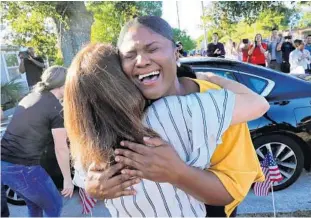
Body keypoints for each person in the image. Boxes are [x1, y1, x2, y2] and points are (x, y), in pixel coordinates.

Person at [84, 16, 267, 217]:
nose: (142, 61)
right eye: (129, 55)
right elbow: (92, 166)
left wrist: (178, 173)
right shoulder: (120, 108)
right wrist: (93, 186)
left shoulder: (216, 103)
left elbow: (230, 192)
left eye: (152, 49)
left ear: (176, 53)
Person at [1, 66, 73, 217]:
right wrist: (67, 180)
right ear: (63, 85)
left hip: (4, 165)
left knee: (35, 206)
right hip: (23, 168)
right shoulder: (55, 108)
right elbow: (61, 149)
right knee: (55, 205)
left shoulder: (31, 96)